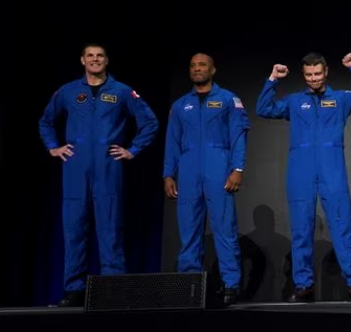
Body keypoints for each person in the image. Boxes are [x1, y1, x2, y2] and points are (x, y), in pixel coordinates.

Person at [39, 44, 159, 307]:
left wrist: (133, 150)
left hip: (108, 167)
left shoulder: (122, 91)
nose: (95, 59)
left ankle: (113, 290)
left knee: (110, 231)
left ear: (107, 60)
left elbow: (150, 122)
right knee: (74, 231)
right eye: (90, 55)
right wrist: (52, 146)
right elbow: (46, 121)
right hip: (75, 168)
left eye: (100, 56)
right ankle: (74, 290)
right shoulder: (69, 91)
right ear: (82, 60)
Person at [256, 52, 351, 302]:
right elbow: (263, 109)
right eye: (309, 75)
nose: (313, 79)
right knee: (301, 229)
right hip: (300, 171)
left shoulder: (341, 99)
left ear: (326, 72)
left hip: (332, 169)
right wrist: (272, 80)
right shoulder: (294, 101)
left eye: (318, 74)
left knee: (342, 226)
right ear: (304, 75)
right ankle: (303, 285)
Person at [163, 53, 250, 306]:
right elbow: (172, 142)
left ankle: (231, 284)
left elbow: (238, 137)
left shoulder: (228, 100)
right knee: (189, 231)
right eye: (192, 65)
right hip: (188, 170)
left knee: (224, 230)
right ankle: (189, 283)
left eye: (202, 65)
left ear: (213, 69)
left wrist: (238, 169)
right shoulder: (180, 105)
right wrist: (168, 173)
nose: (197, 69)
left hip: (218, 166)